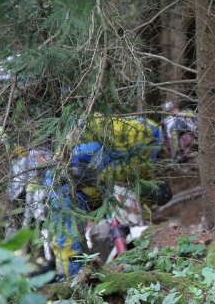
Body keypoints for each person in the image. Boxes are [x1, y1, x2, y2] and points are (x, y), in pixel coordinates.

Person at [46, 114, 171, 278]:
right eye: (186, 140)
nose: (187, 148)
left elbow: (135, 197)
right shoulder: (144, 132)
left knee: (97, 237)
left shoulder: (150, 159)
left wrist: (145, 229)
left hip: (97, 192)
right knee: (69, 243)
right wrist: (67, 156)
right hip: (68, 180)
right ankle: (69, 284)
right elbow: (94, 123)